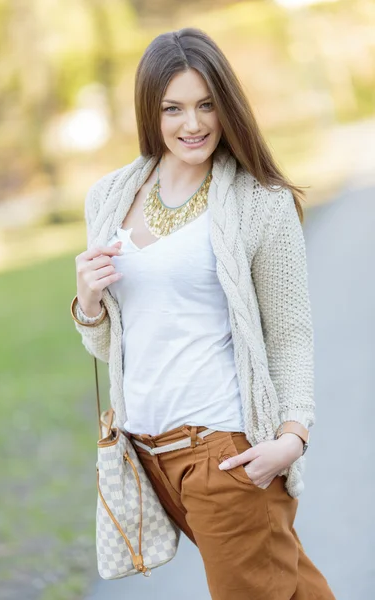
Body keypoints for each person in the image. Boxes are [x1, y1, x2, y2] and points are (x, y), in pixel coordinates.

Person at [72, 28, 335, 600]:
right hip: (148, 455)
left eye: (206, 104)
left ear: (227, 106)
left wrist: (292, 436)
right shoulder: (110, 197)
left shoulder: (259, 202)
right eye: (173, 108)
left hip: (223, 453)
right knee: (291, 591)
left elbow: (289, 334)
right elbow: (114, 345)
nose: (192, 124)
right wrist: (89, 301)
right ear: (151, 111)